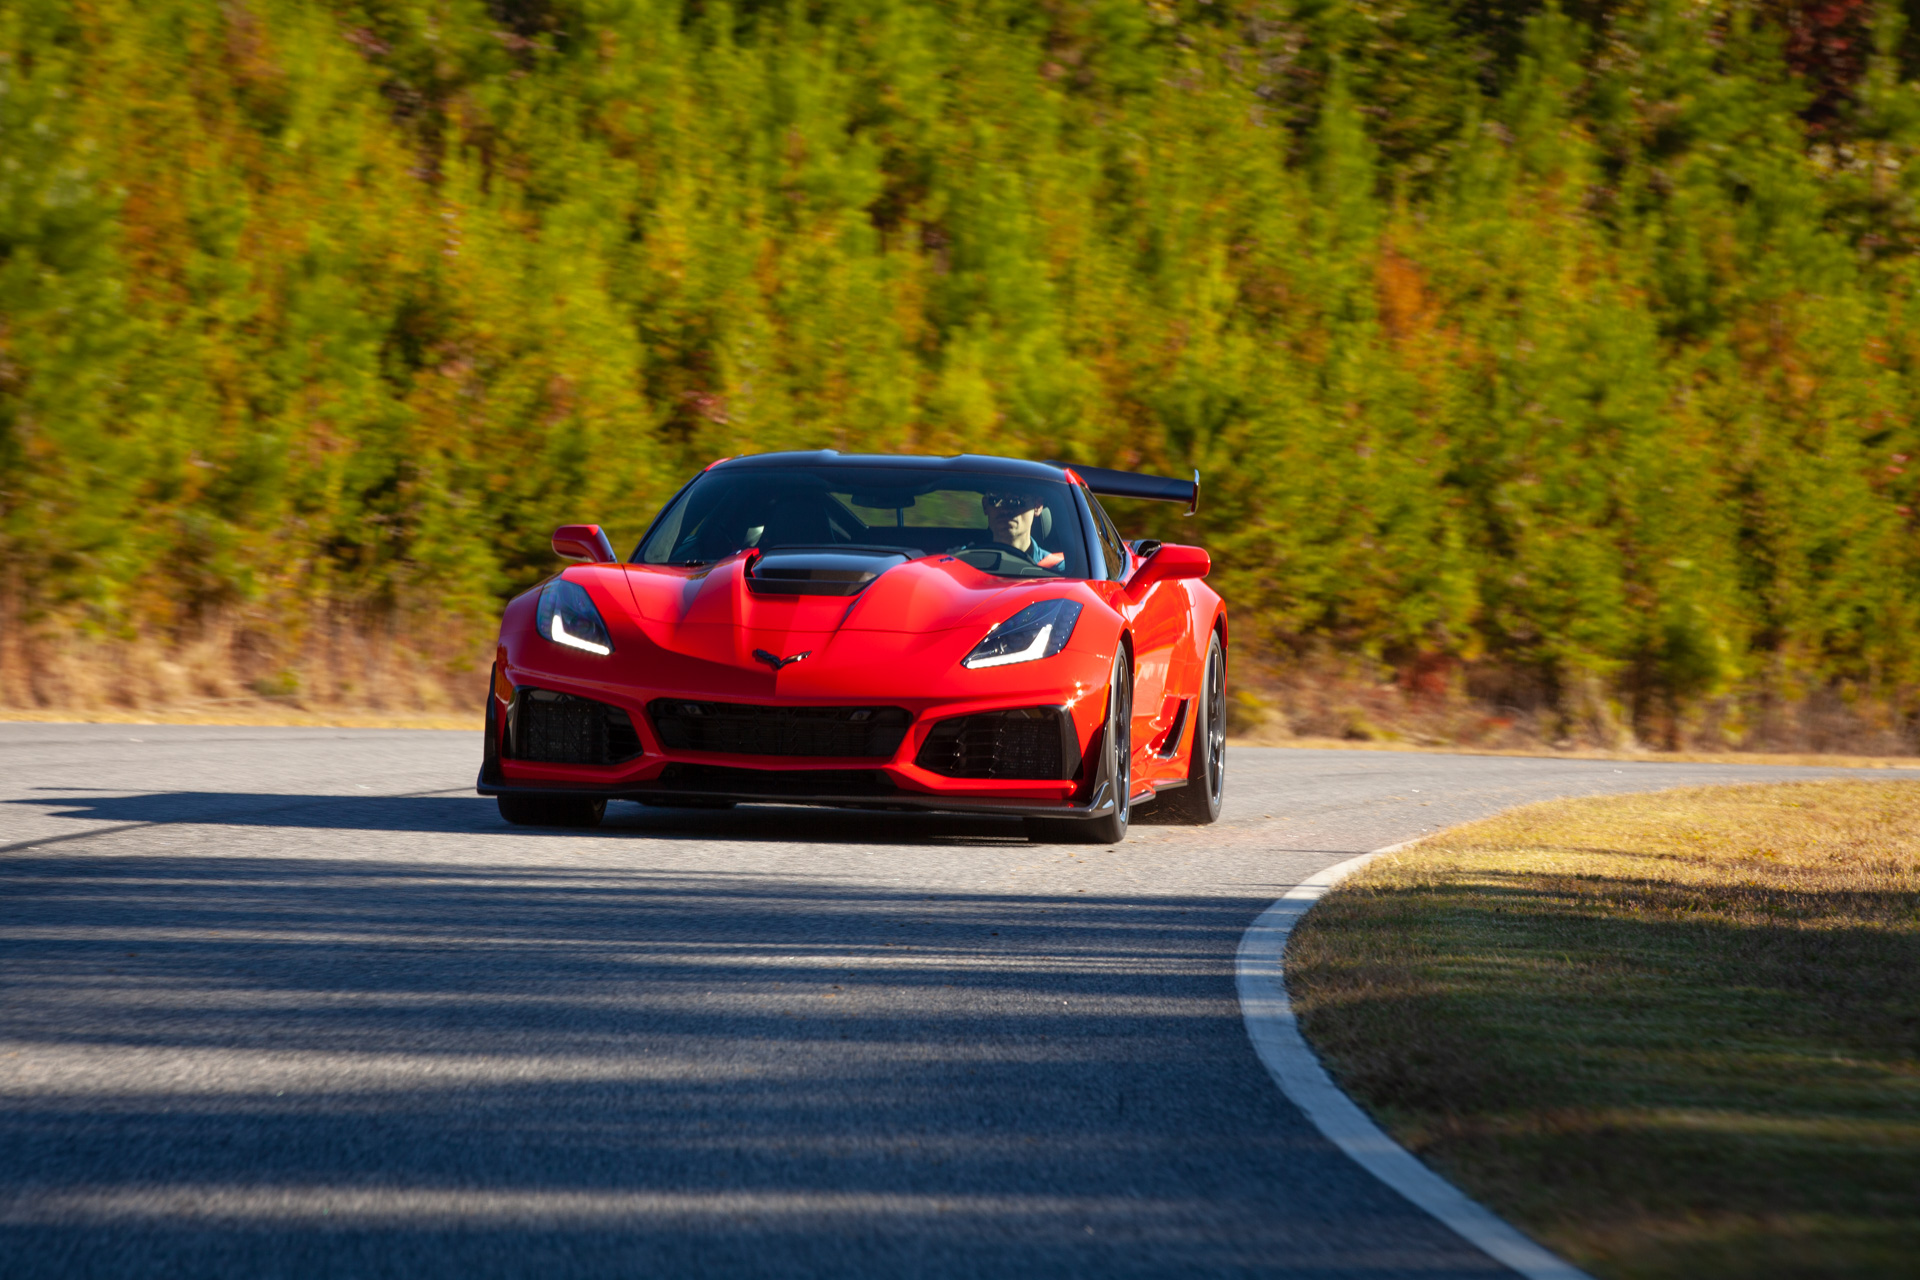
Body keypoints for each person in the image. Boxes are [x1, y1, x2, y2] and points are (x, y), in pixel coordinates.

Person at [980, 490, 1066, 569]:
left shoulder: (1059, 570)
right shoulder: (968, 563)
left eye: (1018, 500)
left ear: (1037, 505)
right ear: (985, 505)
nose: (1006, 509)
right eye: (996, 499)